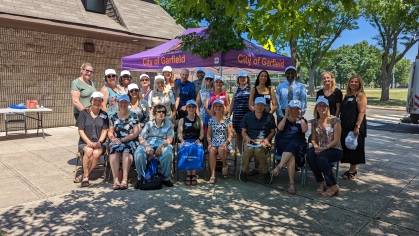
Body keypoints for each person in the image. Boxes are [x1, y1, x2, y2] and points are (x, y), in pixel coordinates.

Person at [307, 97, 343, 197]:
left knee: (321, 158)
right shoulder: (314, 122)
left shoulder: (335, 121)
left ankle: (333, 185)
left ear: (327, 107)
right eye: (319, 105)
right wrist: (315, 146)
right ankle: (321, 182)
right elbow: (313, 138)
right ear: (316, 107)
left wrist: (325, 148)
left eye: (324, 106)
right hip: (320, 148)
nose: (321, 107)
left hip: (334, 149)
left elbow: (336, 140)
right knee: (310, 155)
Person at [271, 100, 308, 194]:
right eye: (292, 108)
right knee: (291, 152)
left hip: (298, 145)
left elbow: (304, 130)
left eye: (296, 109)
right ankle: (291, 184)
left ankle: (279, 166)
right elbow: (279, 128)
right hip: (284, 144)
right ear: (288, 108)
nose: (294, 111)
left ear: (300, 110)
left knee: (293, 146)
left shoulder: (302, 120)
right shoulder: (284, 119)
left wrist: (300, 117)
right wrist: (285, 116)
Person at [134, 104, 175, 188]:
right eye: (159, 112)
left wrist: (162, 146)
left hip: (163, 143)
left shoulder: (168, 123)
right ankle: (140, 178)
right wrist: (146, 146)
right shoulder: (149, 124)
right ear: (154, 113)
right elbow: (141, 138)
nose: (161, 113)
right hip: (149, 143)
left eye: (163, 112)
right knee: (138, 153)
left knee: (168, 154)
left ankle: (165, 178)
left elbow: (170, 138)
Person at [75, 91, 109, 187]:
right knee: (89, 151)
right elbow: (80, 130)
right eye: (95, 100)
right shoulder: (83, 113)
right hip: (85, 141)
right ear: (91, 100)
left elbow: (104, 131)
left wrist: (99, 141)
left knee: (97, 152)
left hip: (99, 142)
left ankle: (85, 174)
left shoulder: (104, 115)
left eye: (99, 101)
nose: (97, 103)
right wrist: (88, 142)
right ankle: (86, 176)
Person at [240, 97, 276, 184]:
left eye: (262, 105)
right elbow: (243, 131)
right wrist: (247, 138)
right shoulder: (247, 116)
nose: (259, 107)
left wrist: (267, 139)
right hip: (250, 140)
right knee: (248, 150)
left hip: (263, 141)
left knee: (258, 151)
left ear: (264, 107)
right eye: (257, 104)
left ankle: (265, 173)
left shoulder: (269, 117)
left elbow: (273, 131)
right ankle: (244, 172)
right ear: (254, 106)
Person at [108, 94, 140, 190]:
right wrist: (113, 139)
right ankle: (116, 180)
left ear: (128, 103)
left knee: (127, 150)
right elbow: (110, 132)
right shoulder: (113, 116)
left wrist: (123, 139)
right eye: (121, 102)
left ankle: (125, 180)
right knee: (114, 150)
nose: (123, 104)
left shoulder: (134, 116)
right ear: (118, 103)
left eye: (125, 102)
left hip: (130, 140)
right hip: (117, 140)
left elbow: (136, 132)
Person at [340, 75, 367, 180]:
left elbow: (362, 112)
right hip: (345, 125)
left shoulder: (360, 95)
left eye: (356, 82)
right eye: (351, 81)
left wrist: (357, 126)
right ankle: (351, 169)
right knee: (348, 146)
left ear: (359, 84)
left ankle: (353, 171)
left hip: (356, 125)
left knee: (355, 147)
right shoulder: (347, 95)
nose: (353, 84)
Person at [177, 100, 204, 186]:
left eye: (193, 107)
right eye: (189, 107)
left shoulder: (199, 120)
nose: (191, 108)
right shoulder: (182, 120)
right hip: (186, 140)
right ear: (186, 108)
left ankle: (194, 173)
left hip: (196, 140)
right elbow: (179, 134)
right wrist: (182, 140)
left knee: (197, 149)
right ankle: (189, 174)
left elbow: (202, 134)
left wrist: (199, 139)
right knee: (186, 149)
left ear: (196, 108)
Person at [207, 99, 233, 184]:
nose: (218, 108)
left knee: (221, 149)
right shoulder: (211, 120)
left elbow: (230, 135)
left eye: (220, 106)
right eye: (216, 106)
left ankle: (224, 164)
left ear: (223, 108)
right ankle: (213, 174)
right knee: (211, 151)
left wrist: (226, 143)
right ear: (213, 108)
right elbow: (208, 135)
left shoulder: (227, 120)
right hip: (214, 142)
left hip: (225, 142)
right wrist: (210, 143)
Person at [230, 70, 251, 156]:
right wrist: (229, 114)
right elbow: (232, 103)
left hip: (248, 116)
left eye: (244, 77)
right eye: (240, 77)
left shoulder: (251, 88)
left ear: (247, 79)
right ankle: (242, 155)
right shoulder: (236, 89)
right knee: (238, 135)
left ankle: (247, 154)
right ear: (238, 79)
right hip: (237, 116)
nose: (242, 79)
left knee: (247, 135)